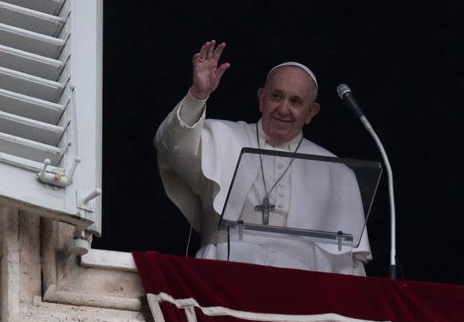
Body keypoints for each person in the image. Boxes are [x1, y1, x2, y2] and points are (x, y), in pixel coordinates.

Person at [154, 40, 371, 275]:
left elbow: (350, 264)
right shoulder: (222, 136)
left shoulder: (335, 172)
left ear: (311, 112)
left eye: (296, 101)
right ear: (261, 98)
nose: (284, 109)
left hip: (302, 290)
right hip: (223, 275)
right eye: (276, 96)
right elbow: (172, 147)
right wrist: (198, 95)